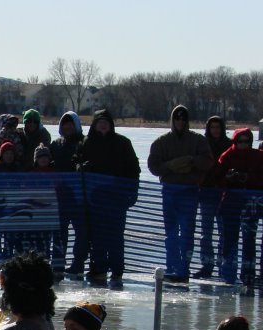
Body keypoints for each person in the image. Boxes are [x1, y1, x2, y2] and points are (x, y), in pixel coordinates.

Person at [72, 108, 140, 287]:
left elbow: (133, 170)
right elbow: (75, 164)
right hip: (94, 200)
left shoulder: (123, 143)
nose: (102, 125)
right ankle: (99, 268)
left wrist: (132, 193)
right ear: (94, 125)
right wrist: (81, 168)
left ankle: (117, 270)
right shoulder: (86, 143)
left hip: (116, 199)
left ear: (110, 125)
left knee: (116, 236)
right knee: (96, 236)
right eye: (99, 122)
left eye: (106, 122)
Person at [147, 105, 213, 283]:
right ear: (172, 120)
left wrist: (191, 161)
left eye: (184, 119)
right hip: (169, 191)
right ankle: (171, 267)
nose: (180, 122)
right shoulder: (161, 142)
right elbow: (153, 166)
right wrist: (170, 166)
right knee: (171, 233)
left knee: (187, 232)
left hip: (190, 192)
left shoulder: (198, 140)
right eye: (177, 119)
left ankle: (184, 269)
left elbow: (208, 161)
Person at [213, 128, 263, 286]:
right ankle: (228, 273)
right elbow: (216, 177)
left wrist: (248, 177)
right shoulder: (227, 155)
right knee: (229, 239)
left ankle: (248, 274)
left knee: (249, 239)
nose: (243, 145)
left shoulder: (258, 156)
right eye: (240, 141)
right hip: (230, 204)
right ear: (235, 142)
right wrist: (228, 178)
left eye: (247, 141)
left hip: (251, 206)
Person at [50, 111, 88, 277]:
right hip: (60, 197)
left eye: (71, 124)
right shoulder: (56, 144)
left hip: (79, 198)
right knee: (59, 233)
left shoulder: (85, 143)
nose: (67, 127)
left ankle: (78, 264)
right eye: (65, 124)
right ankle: (58, 264)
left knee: (81, 232)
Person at [194, 116, 231, 279]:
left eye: (218, 127)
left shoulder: (229, 145)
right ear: (208, 129)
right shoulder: (202, 144)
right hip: (207, 193)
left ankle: (223, 265)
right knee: (206, 233)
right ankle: (207, 265)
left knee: (224, 232)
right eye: (212, 127)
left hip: (225, 194)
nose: (215, 130)